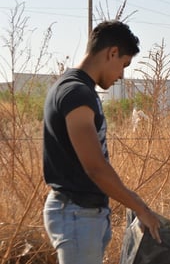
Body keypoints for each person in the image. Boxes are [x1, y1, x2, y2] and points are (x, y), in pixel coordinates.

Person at [42, 20, 161, 264]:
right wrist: (139, 207)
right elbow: (95, 167)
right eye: (124, 65)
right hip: (76, 214)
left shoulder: (77, 90)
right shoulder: (76, 93)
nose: (121, 75)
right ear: (112, 53)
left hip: (82, 215)